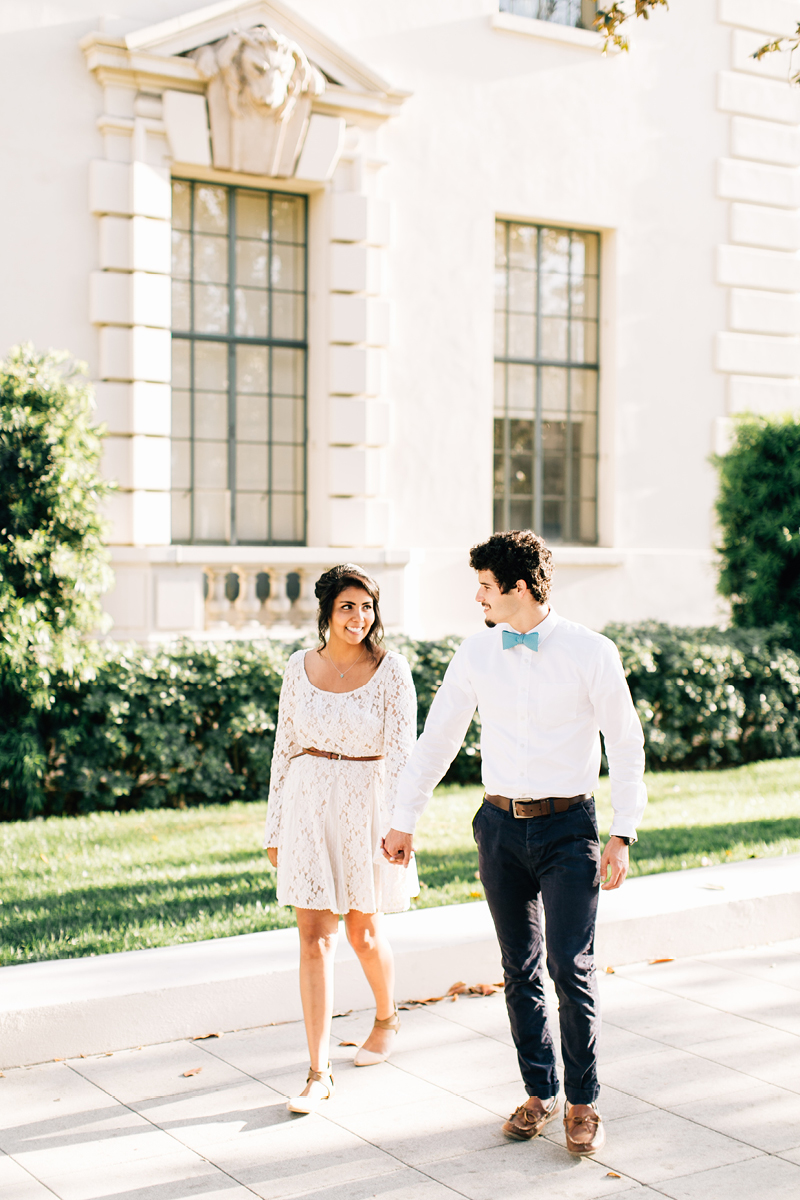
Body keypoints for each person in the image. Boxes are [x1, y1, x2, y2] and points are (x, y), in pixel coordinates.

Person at [383, 530, 646, 1156]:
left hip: (568, 830)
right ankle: (540, 1091)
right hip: (498, 828)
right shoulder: (476, 654)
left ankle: (583, 1103)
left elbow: (626, 742)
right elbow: (438, 738)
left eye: (484, 587)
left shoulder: (591, 652)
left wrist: (622, 831)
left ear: (518, 587)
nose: (478, 598)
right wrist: (403, 816)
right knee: (518, 968)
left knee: (569, 965)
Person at [264, 563, 417, 1115]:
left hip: (366, 806)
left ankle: (386, 1017)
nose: (359, 617)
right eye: (348, 606)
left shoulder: (391, 670)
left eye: (368, 606)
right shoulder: (297, 667)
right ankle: (318, 1071)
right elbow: (284, 748)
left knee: (364, 933)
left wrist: (403, 825)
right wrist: (275, 826)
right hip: (306, 804)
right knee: (313, 936)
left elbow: (403, 754)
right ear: (328, 610)